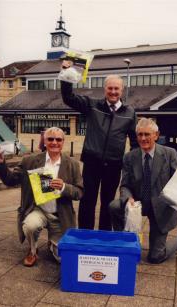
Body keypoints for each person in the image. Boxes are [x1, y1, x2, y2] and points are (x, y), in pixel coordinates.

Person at [61, 61, 138, 230]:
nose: (113, 91)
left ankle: (104, 236)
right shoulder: (92, 105)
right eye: (110, 88)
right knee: (87, 201)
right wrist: (66, 73)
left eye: (116, 88)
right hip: (92, 163)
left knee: (108, 204)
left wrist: (132, 167)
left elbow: (134, 142)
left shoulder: (130, 112)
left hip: (114, 165)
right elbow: (68, 98)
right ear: (105, 89)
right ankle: (86, 235)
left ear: (122, 90)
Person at [109, 118, 177, 264]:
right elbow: (124, 185)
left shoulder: (170, 154)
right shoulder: (129, 157)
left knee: (156, 257)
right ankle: (123, 243)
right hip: (138, 203)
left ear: (156, 135)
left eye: (147, 134)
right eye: (140, 134)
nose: (143, 138)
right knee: (114, 206)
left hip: (161, 207)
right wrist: (128, 198)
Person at [0, 127, 83, 267]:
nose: (54, 142)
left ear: (63, 142)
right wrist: (0, 162)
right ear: (44, 141)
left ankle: (52, 244)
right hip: (38, 209)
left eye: (58, 139)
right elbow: (10, 180)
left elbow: (79, 192)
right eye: (50, 139)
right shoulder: (29, 161)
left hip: (60, 215)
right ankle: (32, 250)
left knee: (62, 259)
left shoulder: (73, 164)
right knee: (29, 226)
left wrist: (64, 187)